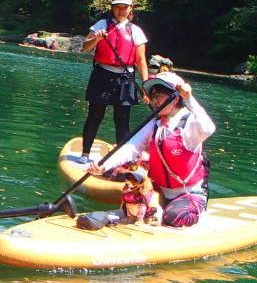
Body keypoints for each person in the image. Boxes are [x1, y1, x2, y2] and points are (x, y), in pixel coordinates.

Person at [88, 71, 215, 228]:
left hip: (189, 194)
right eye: (152, 96)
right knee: (132, 197)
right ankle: (145, 212)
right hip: (161, 191)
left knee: (174, 217)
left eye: (158, 95)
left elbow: (209, 129)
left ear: (174, 98)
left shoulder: (190, 123)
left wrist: (189, 99)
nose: (154, 100)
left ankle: (187, 213)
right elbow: (131, 147)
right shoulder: (155, 123)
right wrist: (104, 165)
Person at [76, 0, 149, 163]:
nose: (121, 11)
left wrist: (146, 86)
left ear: (131, 8)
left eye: (125, 7)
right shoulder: (101, 25)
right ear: (112, 8)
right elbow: (85, 48)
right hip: (102, 74)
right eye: (118, 7)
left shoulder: (136, 31)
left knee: (122, 121)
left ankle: (122, 160)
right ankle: (85, 154)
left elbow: (141, 61)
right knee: (95, 115)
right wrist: (97, 39)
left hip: (125, 79)